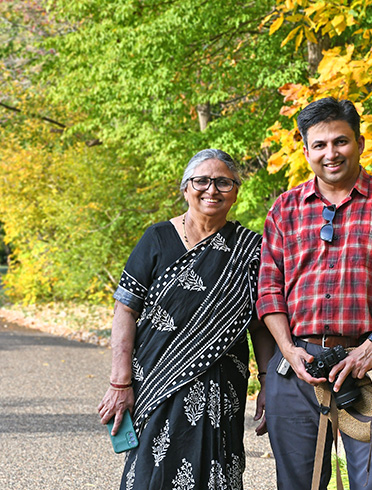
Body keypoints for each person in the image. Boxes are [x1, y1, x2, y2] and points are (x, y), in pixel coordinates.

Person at [256, 97, 372, 490]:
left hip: (366, 364)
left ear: (360, 143)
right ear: (305, 150)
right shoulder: (284, 209)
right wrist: (286, 348)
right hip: (297, 367)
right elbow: (269, 289)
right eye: (319, 145)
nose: (330, 153)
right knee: (300, 483)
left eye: (341, 141)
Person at [98, 149, 275, 490]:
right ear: (185, 188)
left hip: (223, 386)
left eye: (224, 182)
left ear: (236, 191)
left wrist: (268, 382)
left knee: (216, 472)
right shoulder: (157, 238)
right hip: (156, 380)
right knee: (152, 473)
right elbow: (125, 309)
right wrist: (119, 382)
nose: (212, 189)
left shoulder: (251, 248)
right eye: (202, 181)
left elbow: (259, 323)